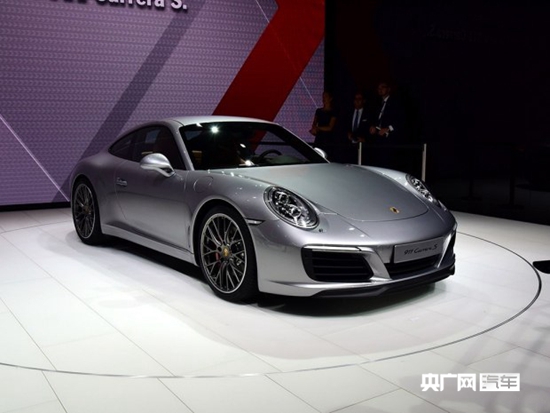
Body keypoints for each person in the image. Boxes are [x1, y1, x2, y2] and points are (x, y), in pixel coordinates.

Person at [309, 91, 337, 156]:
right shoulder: (318, 111)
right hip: (319, 139)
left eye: (326, 97)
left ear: (330, 98)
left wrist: (318, 128)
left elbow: (330, 127)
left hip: (328, 140)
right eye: (323, 97)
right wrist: (314, 129)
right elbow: (314, 122)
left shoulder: (333, 112)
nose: (324, 98)